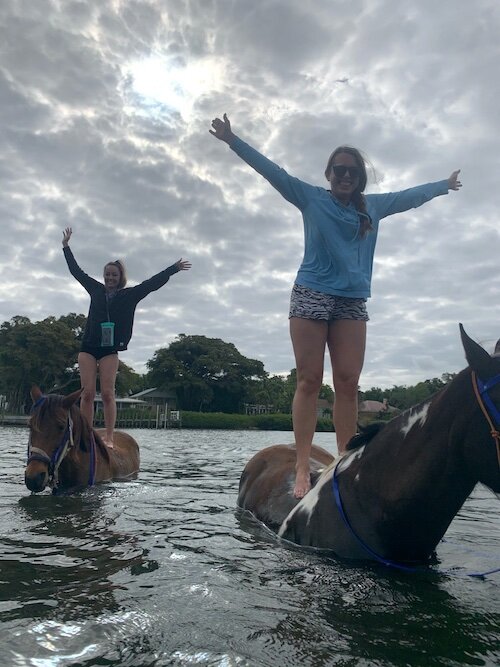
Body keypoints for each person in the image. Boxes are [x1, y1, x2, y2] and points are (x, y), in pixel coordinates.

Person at [210, 113, 462, 498]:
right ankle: (301, 466)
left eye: (352, 172)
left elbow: (409, 197)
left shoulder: (371, 208)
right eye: (339, 170)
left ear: (359, 178)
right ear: (329, 173)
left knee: (348, 384)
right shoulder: (310, 197)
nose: (345, 176)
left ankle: (345, 460)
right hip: (311, 293)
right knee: (309, 380)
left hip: (351, 302)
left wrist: (443, 186)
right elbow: (271, 171)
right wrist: (232, 140)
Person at [62, 227, 191, 447]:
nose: (110, 277)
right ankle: (86, 433)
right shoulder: (95, 289)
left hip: (110, 349)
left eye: (114, 274)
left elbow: (152, 283)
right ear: (103, 276)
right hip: (89, 346)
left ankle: (110, 436)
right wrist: (66, 247)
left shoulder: (130, 295)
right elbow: (76, 272)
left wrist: (174, 269)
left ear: (120, 277)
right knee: (87, 393)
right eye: (107, 274)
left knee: (108, 394)